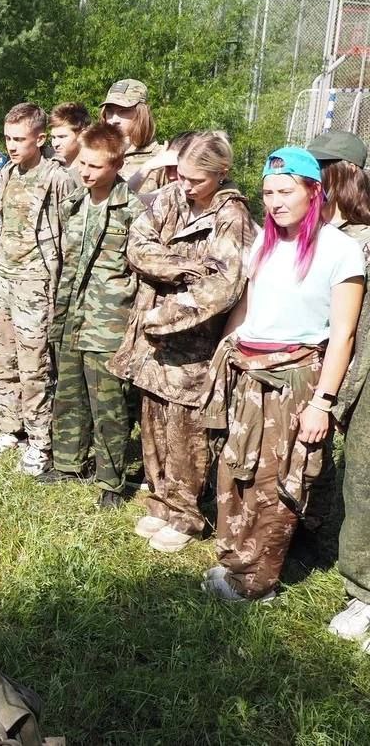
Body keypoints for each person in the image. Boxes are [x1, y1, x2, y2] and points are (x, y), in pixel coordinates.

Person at [202, 147, 365, 601]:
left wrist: (322, 402)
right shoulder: (265, 241)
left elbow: (343, 336)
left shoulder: (340, 251)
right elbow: (248, 306)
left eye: (285, 191)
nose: (274, 201)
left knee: (275, 482)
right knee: (238, 472)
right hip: (249, 372)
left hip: (295, 379)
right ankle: (237, 561)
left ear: (314, 191)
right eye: (268, 192)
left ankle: (258, 582)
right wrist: (225, 351)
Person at [108, 131, 255, 554]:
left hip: (193, 344)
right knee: (152, 419)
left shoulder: (233, 217)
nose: (185, 184)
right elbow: (138, 247)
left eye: (195, 179)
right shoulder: (171, 197)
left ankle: (186, 513)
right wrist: (188, 267)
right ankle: (160, 501)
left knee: (186, 430)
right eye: (180, 174)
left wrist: (160, 315)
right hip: (153, 343)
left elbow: (222, 288)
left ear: (221, 173)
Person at [40, 123, 145, 508]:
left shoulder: (132, 211)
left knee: (110, 406)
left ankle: (112, 481)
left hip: (109, 324)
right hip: (70, 315)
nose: (85, 172)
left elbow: (141, 273)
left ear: (116, 166)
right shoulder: (74, 204)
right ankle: (68, 463)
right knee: (68, 395)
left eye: (95, 167)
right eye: (82, 163)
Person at [0, 103, 77, 472]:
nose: (12, 145)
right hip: (4, 277)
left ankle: (41, 441)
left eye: (19, 139)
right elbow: (2, 225)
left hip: (36, 284)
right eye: (7, 138)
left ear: (40, 139)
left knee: (34, 364)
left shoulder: (58, 178)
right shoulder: (7, 173)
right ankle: (12, 428)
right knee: (3, 358)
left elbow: (70, 235)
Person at [306, 132, 370, 639]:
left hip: (361, 378)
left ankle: (364, 594)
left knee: (365, 482)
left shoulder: (360, 241)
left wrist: (336, 400)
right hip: (343, 375)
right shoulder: (333, 234)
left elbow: (357, 333)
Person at [101, 78, 166, 193]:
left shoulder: (160, 157)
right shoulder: (97, 153)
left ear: (141, 114)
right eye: (110, 112)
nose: (114, 119)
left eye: (123, 111)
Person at [48, 102, 90, 169]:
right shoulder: (48, 170)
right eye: (53, 137)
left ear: (82, 135)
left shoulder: (93, 173)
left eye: (62, 137)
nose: (55, 144)